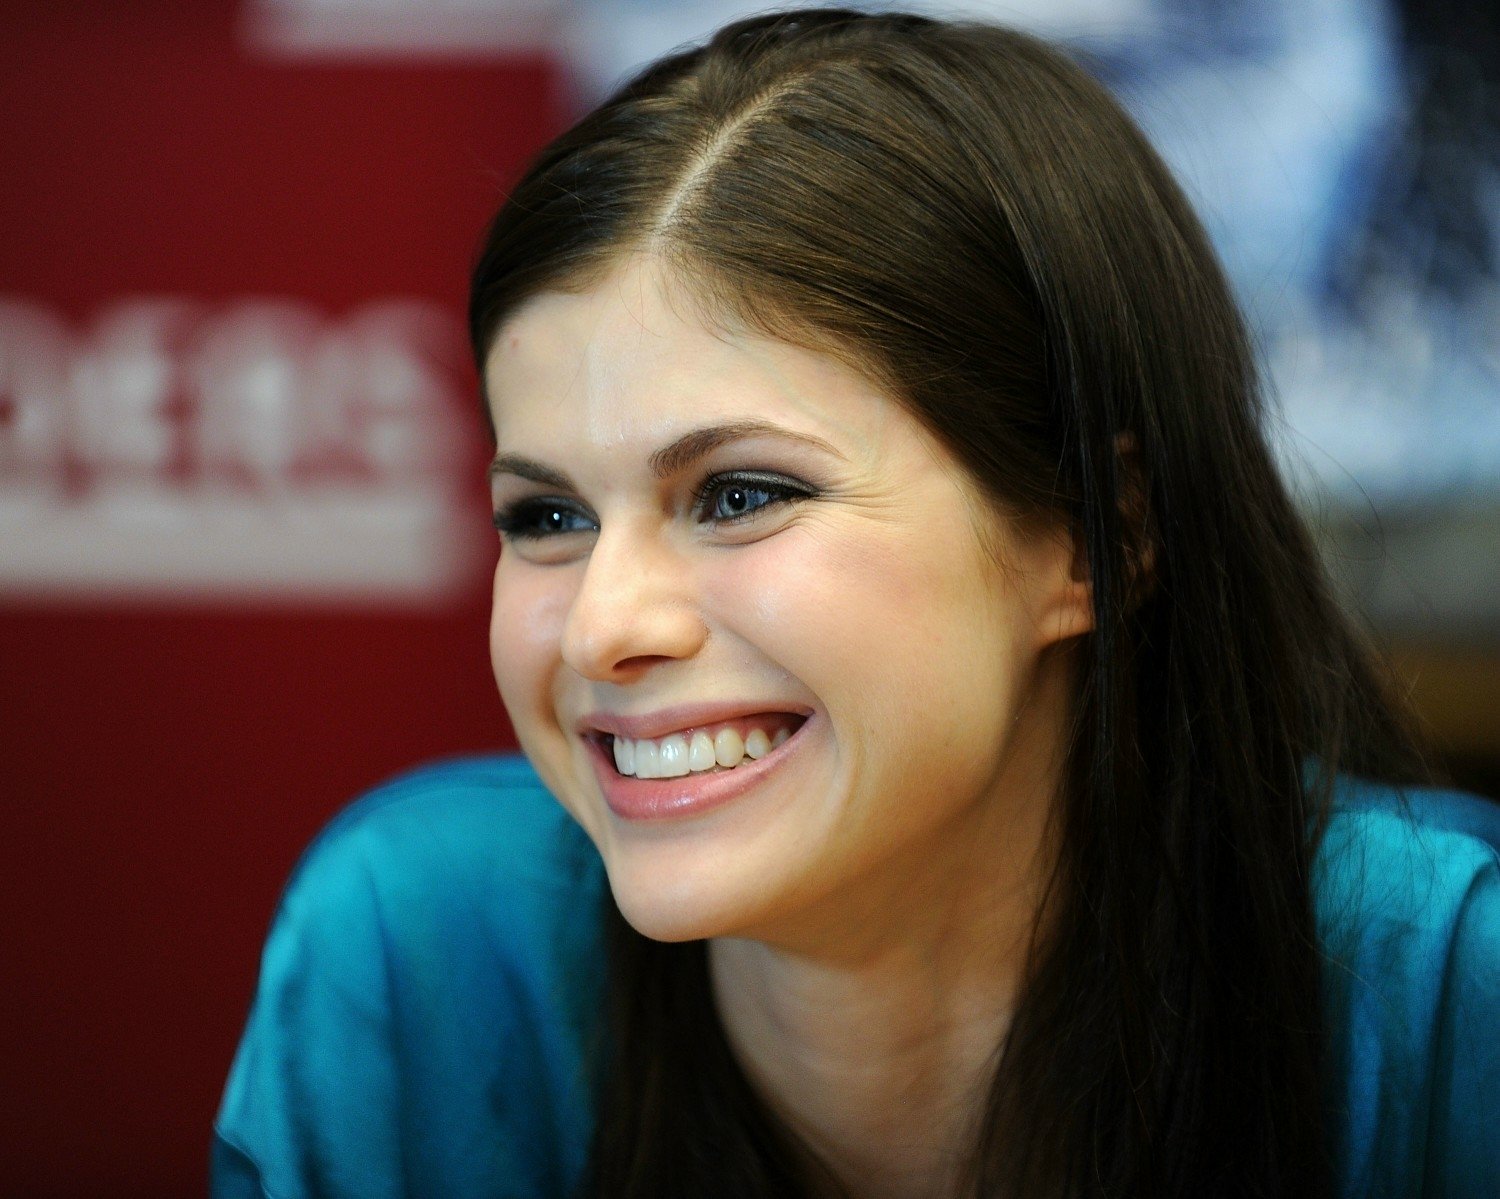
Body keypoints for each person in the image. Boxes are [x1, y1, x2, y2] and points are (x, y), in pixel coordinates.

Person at [211, 9, 1500, 1197]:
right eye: (548, 518)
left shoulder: (1453, 988)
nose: (604, 626)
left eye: (739, 495)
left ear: (1099, 537)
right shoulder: (418, 945)